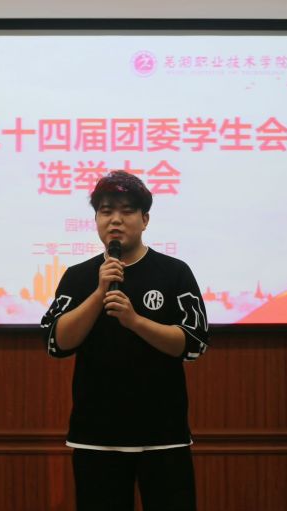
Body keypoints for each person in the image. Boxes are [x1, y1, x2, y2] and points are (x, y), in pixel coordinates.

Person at [40, 170, 212, 511]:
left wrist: (135, 321)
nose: (115, 220)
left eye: (127, 211)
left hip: (162, 435)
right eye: (106, 211)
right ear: (96, 220)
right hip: (96, 435)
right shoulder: (78, 277)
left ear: (145, 219)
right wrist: (98, 293)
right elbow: (56, 343)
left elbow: (194, 343)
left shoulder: (174, 272)